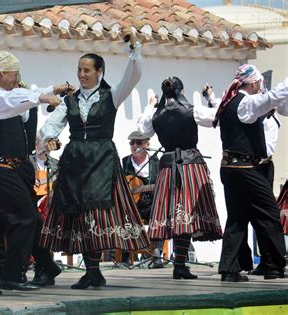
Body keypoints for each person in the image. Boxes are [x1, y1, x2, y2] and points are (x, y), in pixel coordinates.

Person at [39, 33, 150, 290]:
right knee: (78, 214)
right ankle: (92, 272)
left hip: (101, 159)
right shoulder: (70, 100)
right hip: (75, 159)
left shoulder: (112, 94)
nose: (81, 74)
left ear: (99, 72)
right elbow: (51, 125)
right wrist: (50, 138)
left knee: (97, 214)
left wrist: (134, 50)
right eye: (79, 70)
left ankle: (94, 271)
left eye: (86, 70)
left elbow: (132, 76)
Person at [0, 51, 64, 295]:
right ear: (1, 73)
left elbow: (19, 95)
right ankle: (12, 275)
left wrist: (48, 91)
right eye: (13, 73)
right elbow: (10, 101)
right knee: (25, 218)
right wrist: (41, 97)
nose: (16, 78)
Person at [137, 77, 222, 280]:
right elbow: (216, 117)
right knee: (186, 216)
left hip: (168, 167)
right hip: (190, 165)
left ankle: (179, 264)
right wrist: (211, 97)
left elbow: (143, 129)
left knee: (175, 217)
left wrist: (150, 107)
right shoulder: (192, 110)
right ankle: (180, 264)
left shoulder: (156, 116)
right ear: (181, 89)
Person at [213, 64, 287, 281]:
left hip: (228, 168)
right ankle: (273, 265)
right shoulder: (247, 103)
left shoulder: (227, 104)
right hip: (245, 168)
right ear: (254, 83)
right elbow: (273, 96)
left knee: (237, 217)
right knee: (269, 212)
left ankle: (229, 269)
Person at [120, 130, 164, 268]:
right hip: (131, 205)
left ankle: (156, 254)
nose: (135, 145)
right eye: (132, 142)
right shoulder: (124, 162)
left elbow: (162, 185)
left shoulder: (156, 162)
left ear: (147, 144)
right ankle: (125, 256)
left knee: (158, 212)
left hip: (150, 204)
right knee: (125, 215)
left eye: (138, 142)